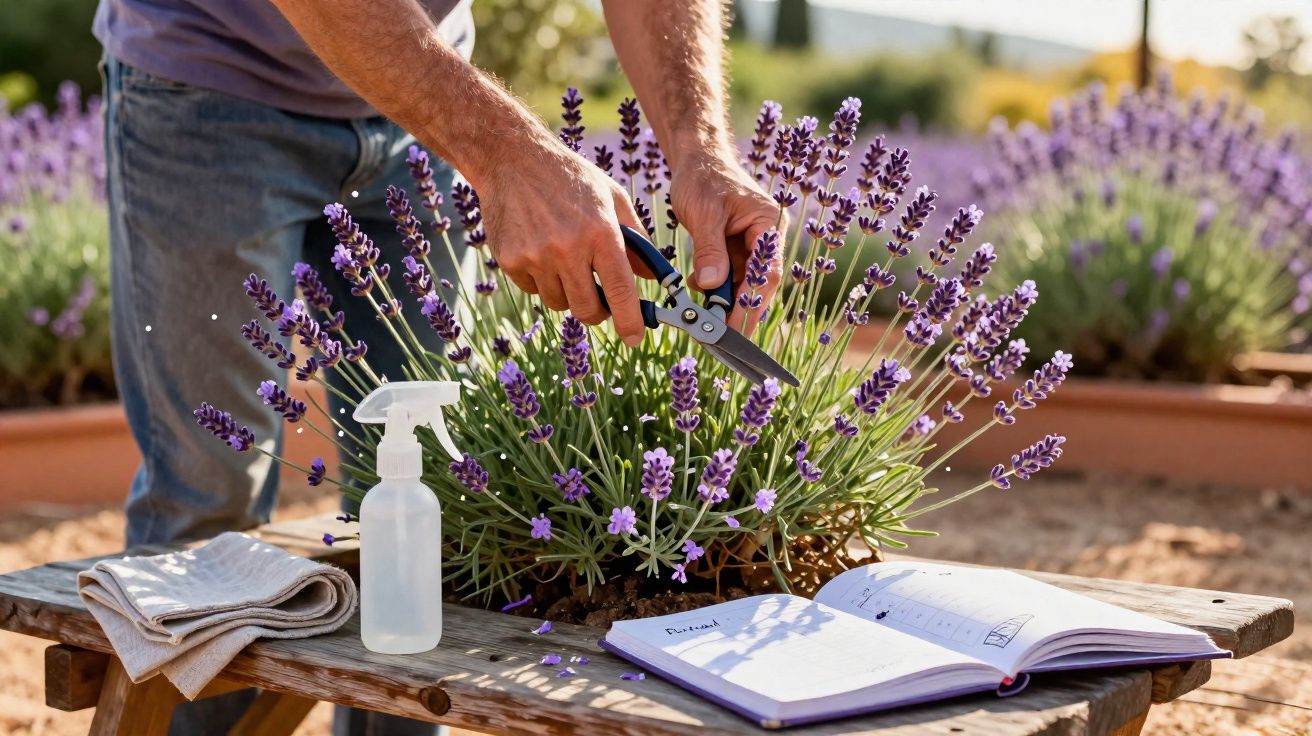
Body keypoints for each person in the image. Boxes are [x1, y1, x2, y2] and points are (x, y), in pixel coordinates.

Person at [94, 0, 781, 732]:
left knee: (435, 505)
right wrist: (507, 153)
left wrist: (702, 147)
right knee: (208, 498)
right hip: (209, 78)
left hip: (423, 95)